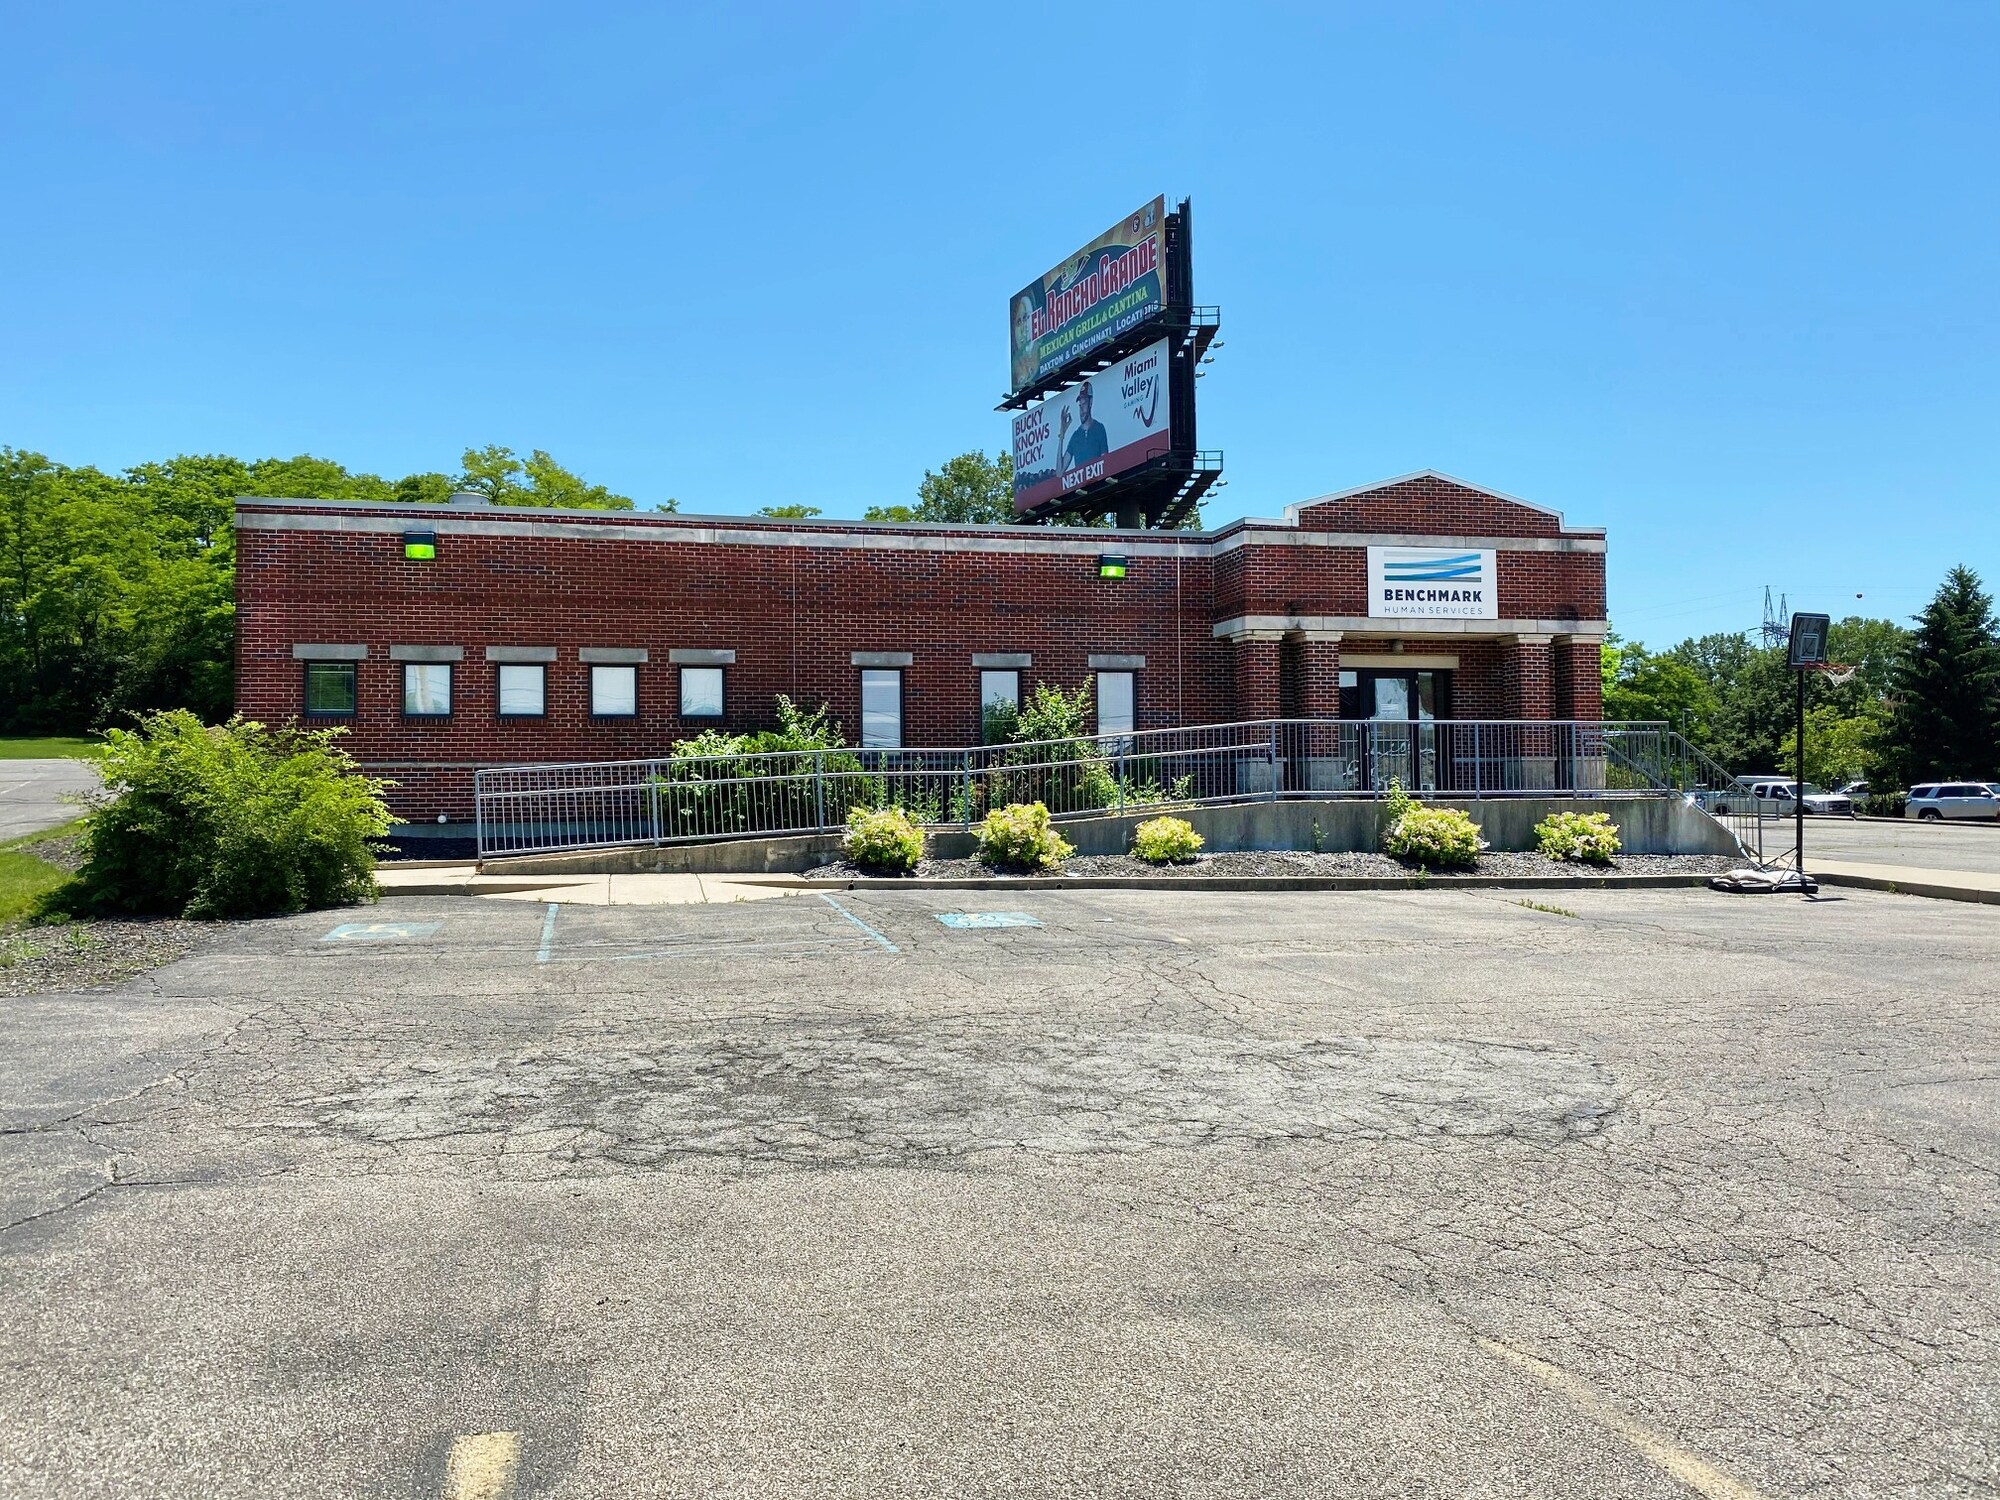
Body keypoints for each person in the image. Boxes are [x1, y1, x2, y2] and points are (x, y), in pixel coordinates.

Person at [1060, 379, 1110, 473]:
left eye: (1084, 404)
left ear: (1090, 403)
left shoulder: (1099, 428)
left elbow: (1105, 460)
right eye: (1080, 405)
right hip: (1080, 485)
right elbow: (1059, 471)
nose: (1081, 409)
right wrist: (1061, 434)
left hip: (1097, 480)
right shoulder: (1075, 436)